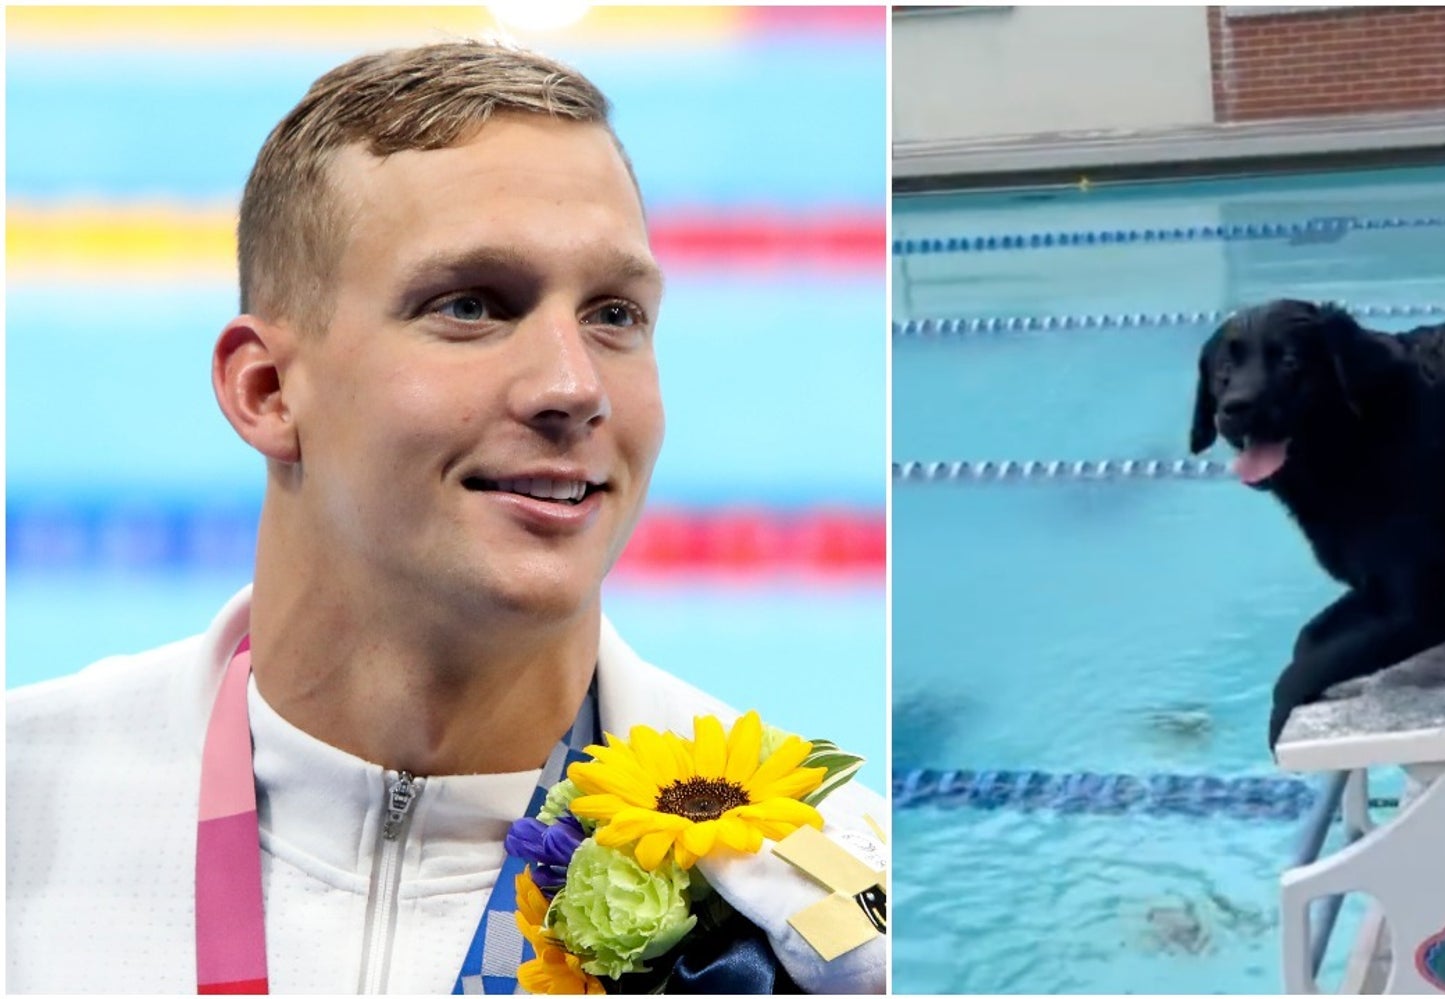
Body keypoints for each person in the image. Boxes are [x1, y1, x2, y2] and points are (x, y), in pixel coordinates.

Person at [6, 40, 885, 995]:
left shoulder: (817, 916)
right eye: (471, 305)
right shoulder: (25, 812)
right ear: (266, 391)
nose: (572, 386)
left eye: (615, 314)